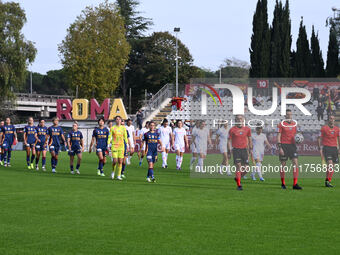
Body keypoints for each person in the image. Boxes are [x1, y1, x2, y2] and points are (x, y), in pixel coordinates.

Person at [277, 109, 302, 190]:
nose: (289, 116)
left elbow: (297, 135)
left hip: (292, 146)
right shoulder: (281, 124)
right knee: (283, 165)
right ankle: (283, 183)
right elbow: (278, 136)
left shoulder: (294, 124)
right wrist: (280, 147)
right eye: (287, 114)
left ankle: (295, 184)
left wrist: (299, 138)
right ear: (285, 115)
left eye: (290, 114)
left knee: (295, 163)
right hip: (284, 146)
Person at [228, 115, 252, 190]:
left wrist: (250, 149)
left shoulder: (247, 129)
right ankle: (239, 185)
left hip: (244, 150)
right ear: (235, 120)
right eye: (237, 119)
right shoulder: (232, 130)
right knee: (238, 166)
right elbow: (228, 141)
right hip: (236, 150)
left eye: (241, 118)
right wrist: (229, 151)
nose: (239, 120)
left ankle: (238, 178)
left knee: (246, 169)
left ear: (243, 120)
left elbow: (249, 139)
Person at [318, 115, 339, 188]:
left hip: (334, 148)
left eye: (333, 119)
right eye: (330, 118)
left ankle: (328, 181)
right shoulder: (324, 128)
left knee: (333, 166)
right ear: (328, 120)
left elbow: (339, 138)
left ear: (334, 120)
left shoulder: (337, 129)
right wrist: (319, 147)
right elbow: (319, 138)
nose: (332, 120)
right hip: (327, 148)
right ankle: (327, 181)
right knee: (330, 164)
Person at [108, 116, 129, 181]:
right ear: (115, 121)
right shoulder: (112, 128)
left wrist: (127, 145)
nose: (118, 120)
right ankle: (113, 172)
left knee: (120, 161)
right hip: (114, 146)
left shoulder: (123, 128)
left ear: (121, 120)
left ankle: (118, 175)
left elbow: (125, 137)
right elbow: (109, 136)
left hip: (121, 146)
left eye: (119, 119)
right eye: (117, 119)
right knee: (115, 161)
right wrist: (108, 144)